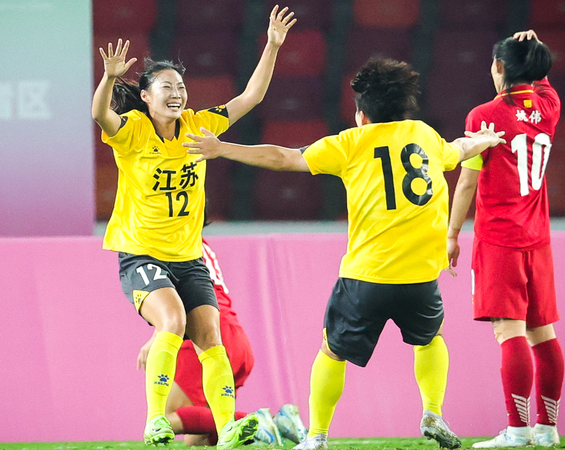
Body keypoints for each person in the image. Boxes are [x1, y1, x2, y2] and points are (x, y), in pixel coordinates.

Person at [183, 57, 506, 450]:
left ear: (362, 115)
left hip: (366, 276)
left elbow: (284, 157)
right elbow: (458, 148)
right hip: (421, 274)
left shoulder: (350, 143)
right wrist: (485, 140)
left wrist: (221, 148)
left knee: (331, 352)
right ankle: (433, 412)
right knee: (431, 339)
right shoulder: (424, 135)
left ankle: (316, 436)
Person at [91, 5, 296, 448]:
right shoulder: (133, 131)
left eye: (181, 86)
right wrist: (108, 78)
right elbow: (101, 115)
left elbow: (251, 97)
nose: (177, 93)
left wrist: (272, 46)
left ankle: (228, 427)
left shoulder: (199, 126)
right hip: (142, 254)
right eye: (166, 86)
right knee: (172, 320)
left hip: (188, 258)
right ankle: (155, 420)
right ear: (146, 96)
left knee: (210, 338)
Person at [447, 30, 564, 448]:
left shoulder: (484, 116)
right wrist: (534, 47)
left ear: (498, 67)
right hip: (538, 238)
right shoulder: (549, 106)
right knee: (542, 333)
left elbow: (467, 182)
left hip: (499, 238)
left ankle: (517, 430)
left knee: (509, 332)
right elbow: (542, 81)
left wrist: (452, 233)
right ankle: (547, 429)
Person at [137, 238, 308, 447]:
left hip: (204, 332)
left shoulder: (177, 238)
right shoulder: (197, 241)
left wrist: (156, 336)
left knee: (166, 417)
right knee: (197, 439)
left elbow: (174, 295)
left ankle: (262, 421)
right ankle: (278, 423)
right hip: (234, 336)